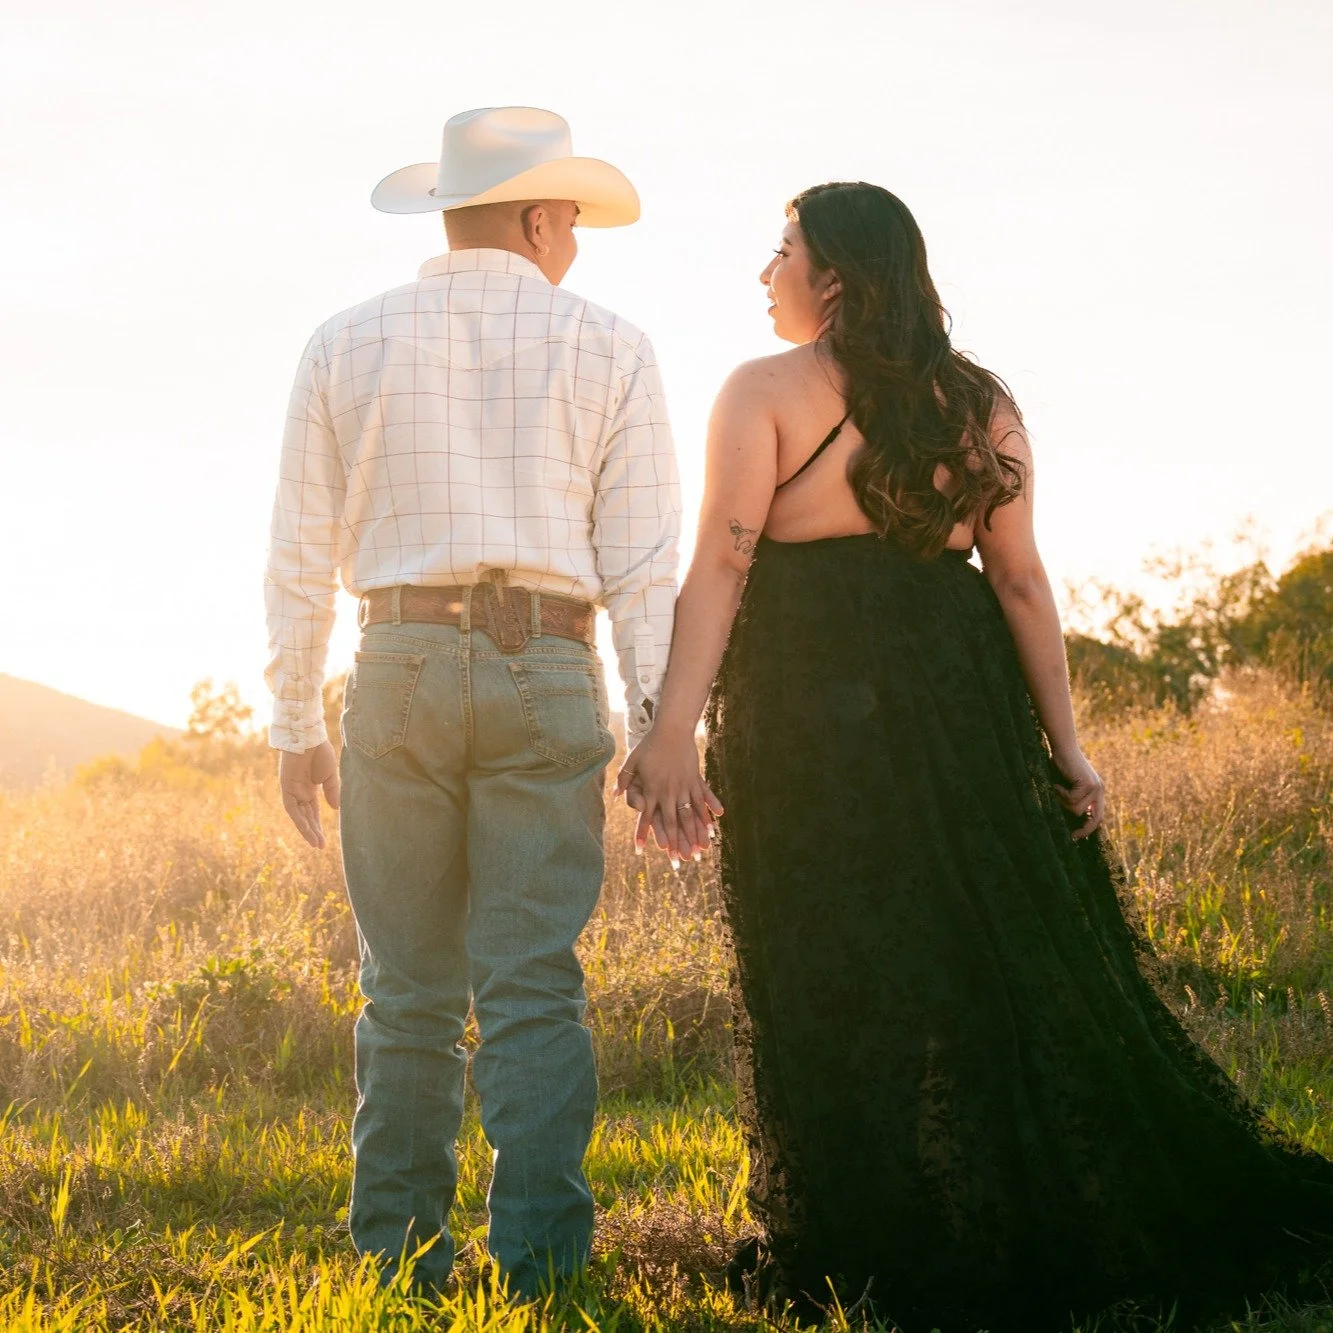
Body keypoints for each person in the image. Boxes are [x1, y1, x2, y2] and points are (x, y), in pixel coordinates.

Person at [616, 181, 1333, 1331]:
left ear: (835, 276)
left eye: (781, 250)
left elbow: (720, 567)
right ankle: (983, 1209)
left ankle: (865, 1233)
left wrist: (668, 729)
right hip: (960, 706)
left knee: (828, 956)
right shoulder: (977, 405)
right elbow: (1018, 583)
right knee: (971, 960)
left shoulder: (762, 392)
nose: (764, 273)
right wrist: (1065, 747)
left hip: (808, 705)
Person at [263, 106, 680, 1298]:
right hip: (547, 662)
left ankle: (396, 1265)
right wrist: (660, 725)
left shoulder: (345, 341)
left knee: (404, 985)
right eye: (573, 224)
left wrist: (295, 723)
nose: (577, 246)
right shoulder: (613, 345)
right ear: (542, 217)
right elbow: (642, 561)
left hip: (391, 663)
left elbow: (297, 551)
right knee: (533, 979)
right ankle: (542, 1271)